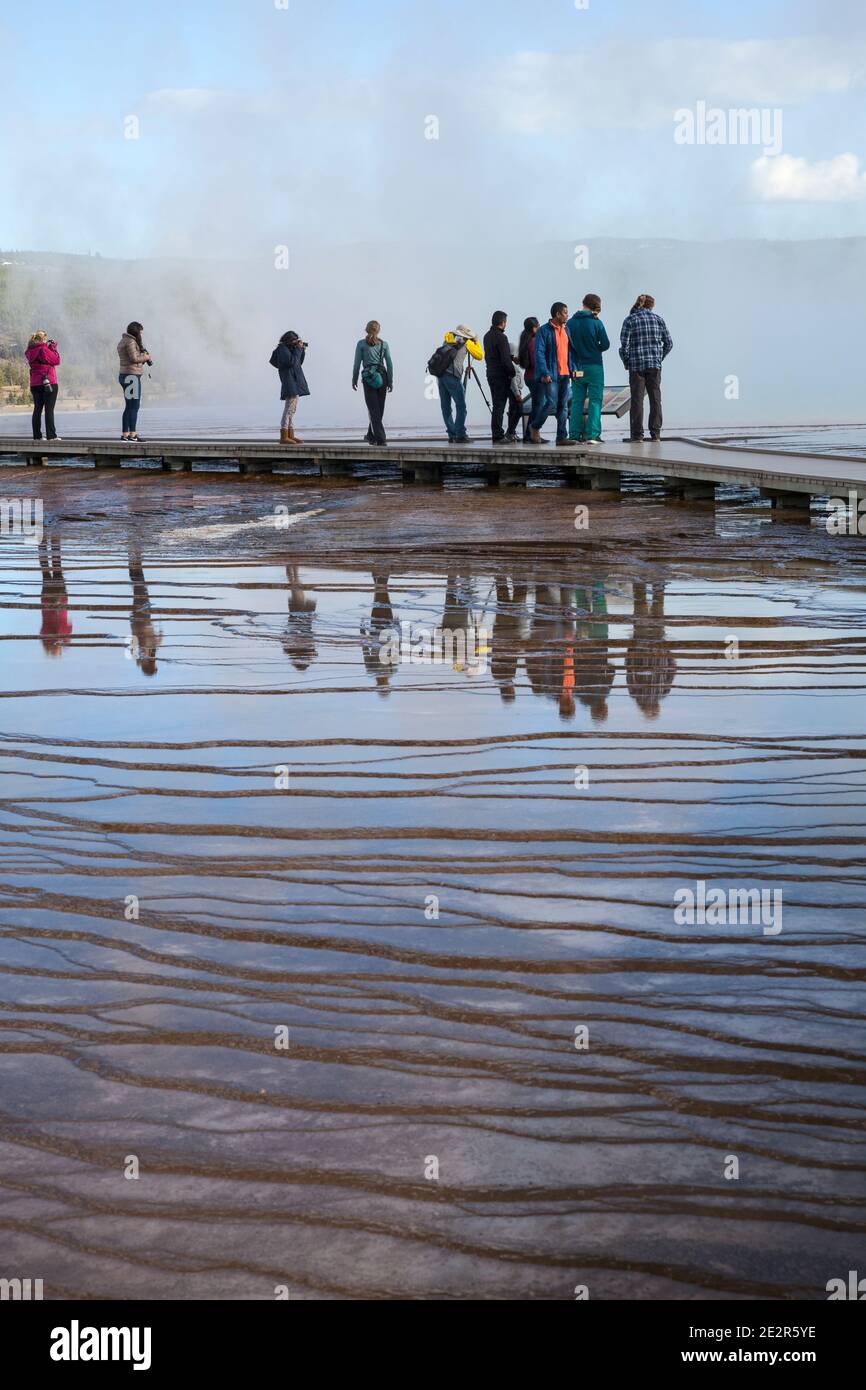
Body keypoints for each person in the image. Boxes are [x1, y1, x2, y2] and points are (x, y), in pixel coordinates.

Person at [619, 294, 673, 442]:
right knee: (655, 400)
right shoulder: (658, 319)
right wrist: (658, 358)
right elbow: (669, 343)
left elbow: (624, 346)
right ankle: (655, 434)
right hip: (654, 366)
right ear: (651, 306)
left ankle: (637, 436)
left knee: (637, 400)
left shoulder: (630, 320)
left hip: (636, 366)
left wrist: (626, 361)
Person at [526, 303, 580, 446]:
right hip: (551, 374)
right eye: (565, 313)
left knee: (563, 406)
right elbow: (539, 353)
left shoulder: (566, 330)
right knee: (551, 403)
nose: (567, 316)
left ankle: (561, 437)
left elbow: (570, 353)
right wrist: (544, 372)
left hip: (565, 373)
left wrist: (573, 369)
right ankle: (535, 426)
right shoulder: (544, 331)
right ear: (557, 314)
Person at [567, 294, 610, 444]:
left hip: (577, 367)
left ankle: (574, 435)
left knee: (577, 401)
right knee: (595, 400)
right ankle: (592, 435)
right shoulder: (596, 323)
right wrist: (595, 348)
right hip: (594, 367)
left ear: (583, 303)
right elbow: (605, 344)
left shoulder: (570, 323)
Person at [433, 324, 483, 444]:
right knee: (461, 407)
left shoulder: (447, 339)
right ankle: (460, 434)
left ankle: (452, 434)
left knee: (446, 407)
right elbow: (480, 356)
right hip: (453, 377)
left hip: (440, 376)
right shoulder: (467, 343)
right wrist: (476, 342)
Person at [352, 320, 393, 445]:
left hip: (369, 378)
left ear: (366, 330)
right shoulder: (384, 344)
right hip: (382, 377)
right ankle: (371, 435)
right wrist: (390, 381)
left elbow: (357, 364)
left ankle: (381, 440)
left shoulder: (361, 344)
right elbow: (390, 364)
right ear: (379, 330)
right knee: (379, 410)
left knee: (373, 410)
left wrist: (354, 379)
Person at [482, 311, 516, 444]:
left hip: (490, 373)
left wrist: (511, 358)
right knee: (500, 405)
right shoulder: (502, 337)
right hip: (501, 375)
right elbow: (504, 360)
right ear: (502, 323)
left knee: (497, 404)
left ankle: (497, 433)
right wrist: (512, 372)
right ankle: (498, 435)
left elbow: (494, 355)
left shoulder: (487, 336)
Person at [271, 331, 310, 444]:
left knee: (292, 410)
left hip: (295, 382)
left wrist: (302, 350)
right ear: (288, 340)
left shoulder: (289, 350)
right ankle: (284, 437)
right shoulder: (282, 349)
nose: (296, 342)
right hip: (290, 382)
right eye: (294, 340)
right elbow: (291, 362)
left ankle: (290, 435)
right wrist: (298, 349)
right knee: (288, 410)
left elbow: (298, 362)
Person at [117, 322, 152, 442]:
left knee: (129, 406)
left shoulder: (124, 341)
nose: (142, 335)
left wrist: (141, 356)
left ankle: (125, 435)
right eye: (141, 332)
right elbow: (134, 359)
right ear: (136, 332)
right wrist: (145, 357)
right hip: (131, 377)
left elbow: (131, 359)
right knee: (134, 406)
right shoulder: (131, 342)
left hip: (125, 375)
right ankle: (133, 435)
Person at [25, 332, 62, 441]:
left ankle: (37, 436)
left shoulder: (29, 351)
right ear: (43, 340)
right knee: (49, 410)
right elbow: (56, 360)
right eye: (45, 340)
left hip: (35, 384)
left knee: (37, 409)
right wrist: (53, 348)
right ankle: (51, 436)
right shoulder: (43, 349)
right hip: (48, 383)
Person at [517, 317, 541, 442]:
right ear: (534, 328)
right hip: (536, 377)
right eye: (538, 325)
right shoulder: (533, 341)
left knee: (537, 406)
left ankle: (529, 434)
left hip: (529, 376)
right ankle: (531, 433)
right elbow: (536, 360)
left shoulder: (525, 340)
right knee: (539, 406)